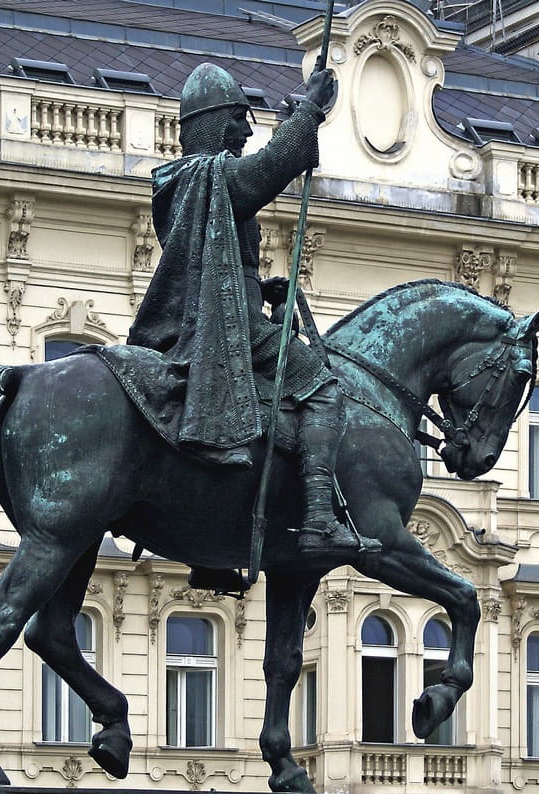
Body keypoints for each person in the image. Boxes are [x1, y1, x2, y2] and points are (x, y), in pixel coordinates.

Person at [126, 62, 364, 585]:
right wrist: (310, 109)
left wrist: (262, 287)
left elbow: (221, 262)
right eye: (239, 119)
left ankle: (213, 549)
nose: (247, 131)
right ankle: (320, 519)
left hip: (226, 311)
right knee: (322, 388)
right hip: (220, 326)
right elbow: (269, 168)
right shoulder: (208, 176)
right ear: (214, 122)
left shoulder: (187, 183)